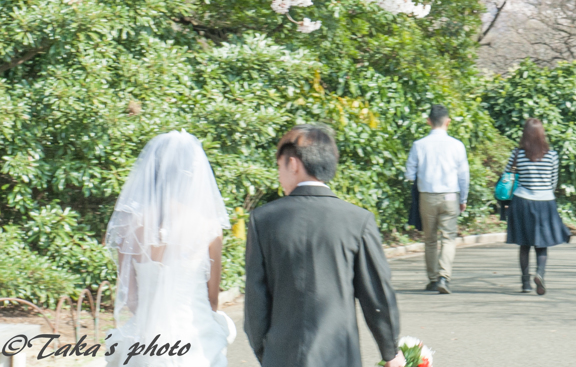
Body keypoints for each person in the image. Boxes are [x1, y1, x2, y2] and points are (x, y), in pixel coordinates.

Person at [245, 124, 404, 367]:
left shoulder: (263, 220)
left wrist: (266, 352)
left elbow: (255, 301)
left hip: (281, 356)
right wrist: (390, 352)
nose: (279, 176)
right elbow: (377, 296)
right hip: (339, 354)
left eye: (279, 167)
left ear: (294, 164)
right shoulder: (357, 221)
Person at [104, 131, 235, 367]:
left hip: (146, 340)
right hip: (195, 338)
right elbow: (212, 300)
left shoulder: (129, 226)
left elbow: (130, 298)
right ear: (193, 175)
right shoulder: (209, 227)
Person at [404, 104, 470, 294]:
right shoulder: (457, 145)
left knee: (430, 239)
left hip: (427, 196)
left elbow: (409, 174)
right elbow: (464, 176)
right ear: (448, 122)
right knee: (448, 238)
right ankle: (444, 276)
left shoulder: (419, 145)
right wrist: (463, 198)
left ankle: (433, 279)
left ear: (428, 121)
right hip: (451, 195)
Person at [504, 118, 572, 294]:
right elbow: (553, 182)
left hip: (522, 201)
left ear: (524, 134)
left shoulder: (517, 154)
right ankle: (540, 273)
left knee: (524, 244)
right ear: (542, 133)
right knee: (542, 244)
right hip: (545, 202)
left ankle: (525, 283)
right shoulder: (551, 155)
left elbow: (507, 175)